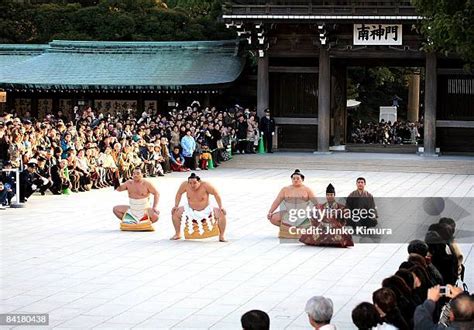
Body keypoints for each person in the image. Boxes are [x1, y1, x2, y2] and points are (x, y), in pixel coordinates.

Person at [170, 173, 227, 242]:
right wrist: (176, 206)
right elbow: (179, 193)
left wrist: (221, 206)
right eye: (190, 183)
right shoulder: (185, 185)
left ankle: (222, 235)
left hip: (206, 210)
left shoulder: (206, 185)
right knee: (175, 213)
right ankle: (177, 234)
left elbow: (216, 194)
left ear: (199, 182)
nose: (192, 185)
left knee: (221, 213)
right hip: (190, 210)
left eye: (194, 183)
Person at [267, 169, 317, 238]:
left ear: (302, 179)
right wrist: (270, 212)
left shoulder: (307, 190)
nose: (295, 180)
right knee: (273, 218)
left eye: (297, 178)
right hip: (289, 213)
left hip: (302, 214)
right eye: (293, 178)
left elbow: (316, 203)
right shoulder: (285, 189)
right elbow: (277, 201)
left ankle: (296, 230)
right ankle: (288, 229)